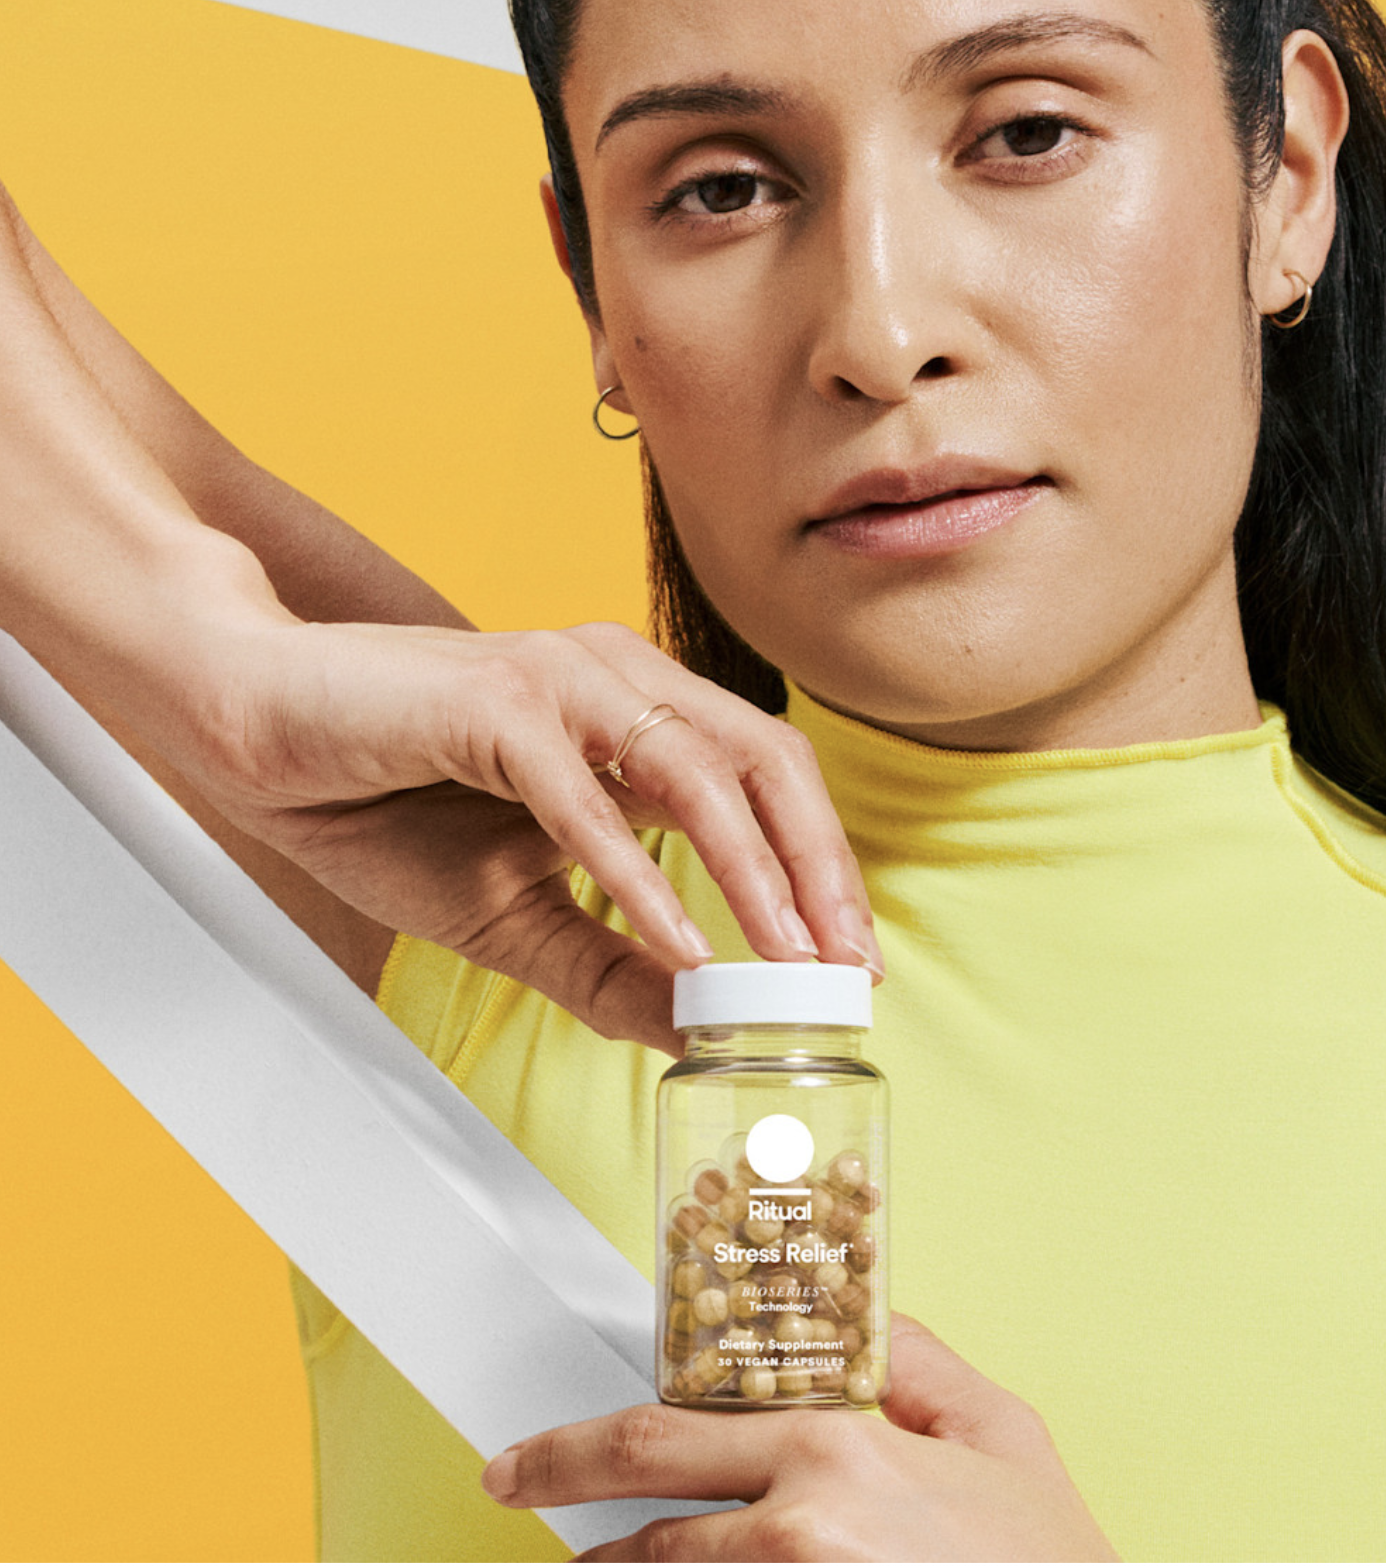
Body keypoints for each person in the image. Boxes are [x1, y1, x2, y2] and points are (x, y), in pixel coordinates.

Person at [4, 0, 1386, 1559]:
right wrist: (207, 656)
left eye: (1025, 133)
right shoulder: (480, 893)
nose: (876, 332)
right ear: (587, 281)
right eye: (720, 187)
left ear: (1291, 177)